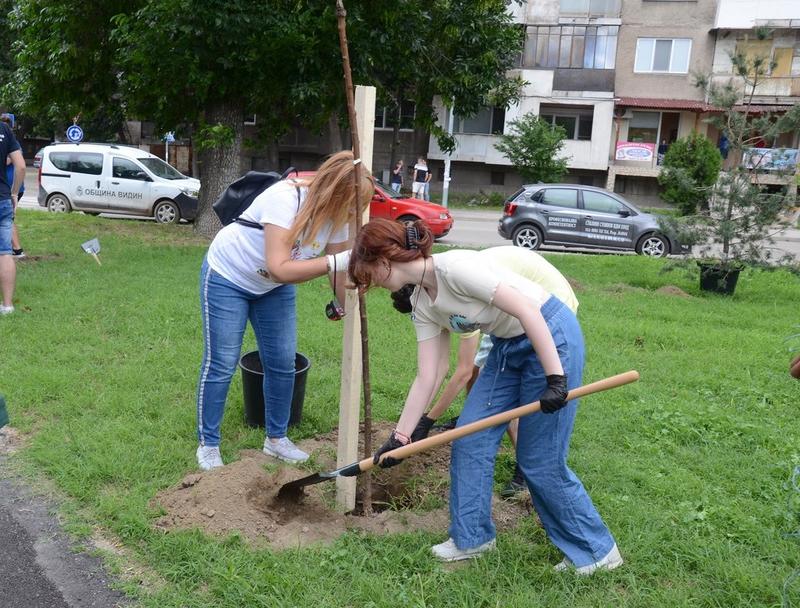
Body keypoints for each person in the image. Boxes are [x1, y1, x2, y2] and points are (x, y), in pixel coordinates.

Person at [349, 219, 621, 572]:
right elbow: (428, 374)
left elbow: (527, 309)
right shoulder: (421, 301)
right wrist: (400, 436)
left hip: (549, 334)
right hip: (507, 348)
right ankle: (472, 540)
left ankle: (597, 552)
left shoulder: (456, 268)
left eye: (368, 271)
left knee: (539, 459)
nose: (370, 281)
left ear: (384, 259)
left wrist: (556, 378)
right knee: (470, 439)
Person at [195, 151, 372, 470]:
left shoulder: (336, 218)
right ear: (336, 194)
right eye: (352, 205)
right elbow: (280, 268)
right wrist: (335, 262)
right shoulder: (285, 199)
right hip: (228, 276)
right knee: (221, 363)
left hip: (271, 290)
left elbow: (338, 269)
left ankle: (275, 440)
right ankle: (209, 444)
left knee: (281, 361)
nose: (354, 214)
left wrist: (345, 303)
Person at [393, 246, 580, 499]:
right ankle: (506, 441)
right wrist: (407, 428)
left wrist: (428, 421)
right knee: (488, 388)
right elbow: (437, 368)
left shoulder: (457, 298)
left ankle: (524, 470)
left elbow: (462, 372)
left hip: (545, 301)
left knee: (520, 392)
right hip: (503, 310)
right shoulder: (431, 300)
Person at [0, 117, 25, 316]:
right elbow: (22, 166)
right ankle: (7, 306)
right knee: (5, 252)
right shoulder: (5, 130)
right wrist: (14, 193)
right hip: (2, 199)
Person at [0, 114, 23, 258]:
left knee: (9, 221)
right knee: (4, 253)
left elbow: (11, 162)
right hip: (6, 192)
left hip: (10, 187)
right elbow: (21, 166)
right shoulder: (8, 136)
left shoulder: (9, 137)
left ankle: (18, 249)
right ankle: (15, 249)